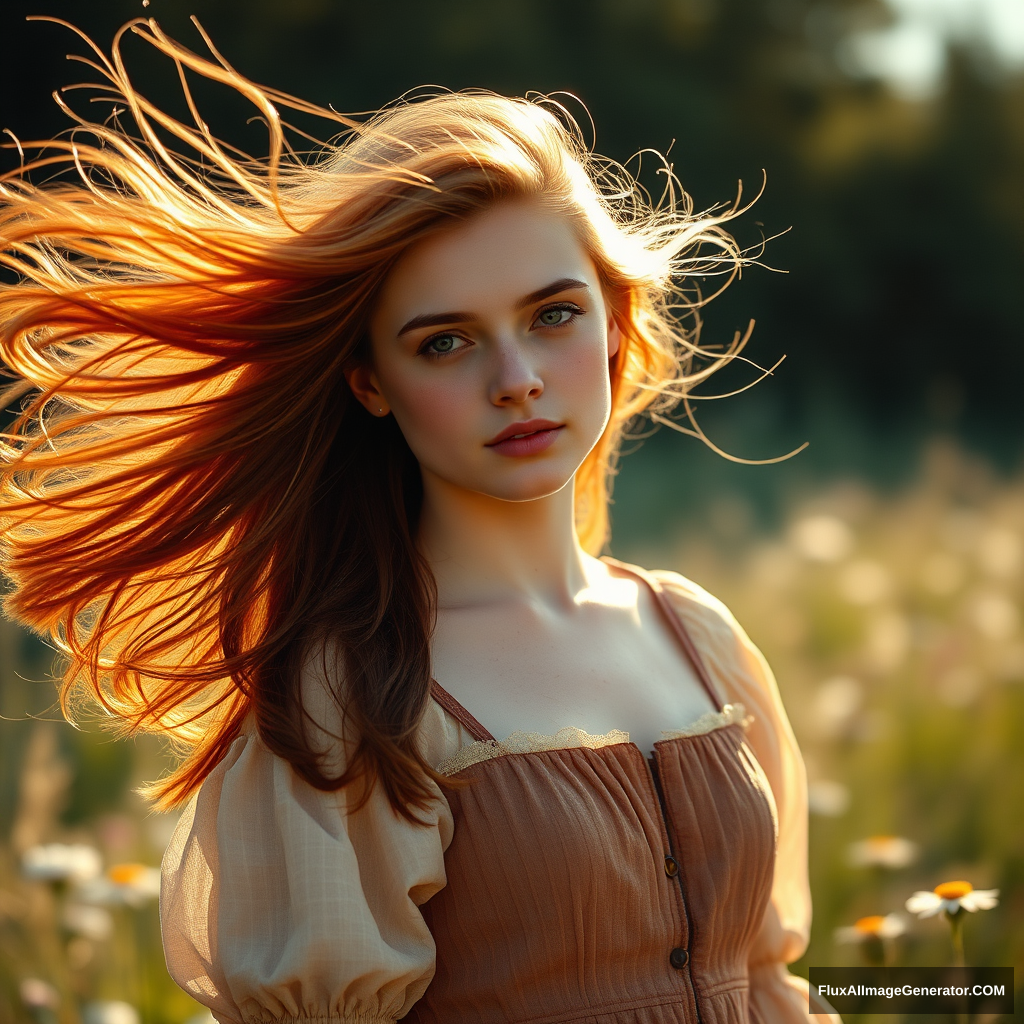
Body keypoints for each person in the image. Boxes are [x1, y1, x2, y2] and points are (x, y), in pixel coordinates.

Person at [0, 19, 838, 1024]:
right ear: (370, 384)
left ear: (615, 323)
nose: (517, 380)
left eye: (553, 314)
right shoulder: (348, 693)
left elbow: (771, 980)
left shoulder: (698, 635)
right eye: (445, 343)